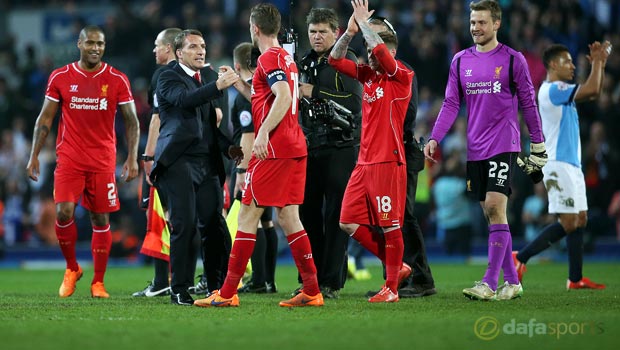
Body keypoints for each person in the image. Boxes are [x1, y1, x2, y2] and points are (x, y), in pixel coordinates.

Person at [194, 3, 322, 308]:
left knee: (249, 214)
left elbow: (285, 97)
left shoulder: (267, 58)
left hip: (275, 149)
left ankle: (226, 293)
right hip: (294, 146)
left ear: (254, 29)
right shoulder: (285, 59)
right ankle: (312, 289)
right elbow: (267, 95)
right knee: (290, 217)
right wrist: (239, 83)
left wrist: (263, 132)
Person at [423, 0, 547, 301]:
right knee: (491, 214)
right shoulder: (460, 61)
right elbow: (452, 103)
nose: (475, 28)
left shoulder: (513, 59)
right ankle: (512, 281)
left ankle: (489, 283)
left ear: (496, 24)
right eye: (472, 22)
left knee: (494, 207)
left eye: (481, 22)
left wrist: (538, 142)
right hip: (474, 146)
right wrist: (435, 137)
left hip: (505, 143)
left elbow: (529, 103)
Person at [26, 25, 140, 298]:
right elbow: (45, 118)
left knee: (99, 217)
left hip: (102, 160)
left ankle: (98, 282)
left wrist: (132, 158)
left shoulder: (117, 79)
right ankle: (72, 268)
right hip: (70, 159)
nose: (96, 48)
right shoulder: (61, 76)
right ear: (79, 44)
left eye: (100, 44)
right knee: (64, 211)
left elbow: (132, 120)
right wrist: (33, 156)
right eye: (90, 43)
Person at [150, 29, 242, 306]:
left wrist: (229, 147)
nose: (201, 51)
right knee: (184, 224)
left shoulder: (205, 80)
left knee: (214, 224)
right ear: (179, 53)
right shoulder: (168, 77)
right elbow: (184, 101)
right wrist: (217, 86)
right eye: (193, 47)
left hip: (207, 163)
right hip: (179, 161)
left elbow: (208, 128)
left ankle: (216, 286)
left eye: (202, 46)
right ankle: (179, 287)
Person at [329, 0, 413, 303]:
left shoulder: (401, 75)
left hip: (388, 160)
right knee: (347, 222)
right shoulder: (369, 76)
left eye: (374, 48)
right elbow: (335, 60)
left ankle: (391, 288)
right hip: (364, 162)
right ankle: (398, 266)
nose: (370, 54)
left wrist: (366, 24)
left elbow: (381, 54)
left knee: (390, 225)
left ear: (391, 52)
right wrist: (350, 31)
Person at [513, 41, 611, 290]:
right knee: (569, 222)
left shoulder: (559, 89)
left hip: (571, 164)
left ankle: (575, 279)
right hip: (558, 163)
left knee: (580, 218)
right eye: (567, 61)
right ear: (554, 65)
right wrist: (599, 62)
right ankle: (519, 257)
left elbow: (593, 90)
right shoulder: (553, 88)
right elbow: (592, 91)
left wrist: (600, 63)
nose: (572, 66)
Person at [367, 15, 436, 298]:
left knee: (403, 217)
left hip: (401, 150)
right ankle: (394, 279)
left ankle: (421, 279)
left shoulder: (402, 72)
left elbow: (408, 115)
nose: (374, 44)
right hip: (379, 154)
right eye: (370, 37)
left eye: (378, 37)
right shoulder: (373, 75)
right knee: (384, 218)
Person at [295, 7, 362, 299]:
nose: (317, 36)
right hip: (309, 147)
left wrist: (314, 92)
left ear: (336, 33)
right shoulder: (303, 63)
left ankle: (332, 282)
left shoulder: (345, 61)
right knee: (307, 213)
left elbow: (355, 103)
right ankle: (311, 278)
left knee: (336, 216)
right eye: (313, 32)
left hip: (340, 147)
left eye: (323, 31)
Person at [132, 27, 181, 298]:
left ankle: (162, 279)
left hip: (163, 154)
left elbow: (157, 118)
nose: (154, 50)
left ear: (170, 47)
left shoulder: (163, 74)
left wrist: (148, 156)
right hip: (188, 154)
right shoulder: (196, 74)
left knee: (161, 216)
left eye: (157, 45)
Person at [230, 42, 278, 294]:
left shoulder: (243, 97)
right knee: (267, 222)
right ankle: (269, 280)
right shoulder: (266, 90)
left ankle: (258, 280)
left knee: (251, 220)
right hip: (271, 161)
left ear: (237, 66)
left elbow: (246, 137)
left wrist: (241, 171)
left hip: (252, 164)